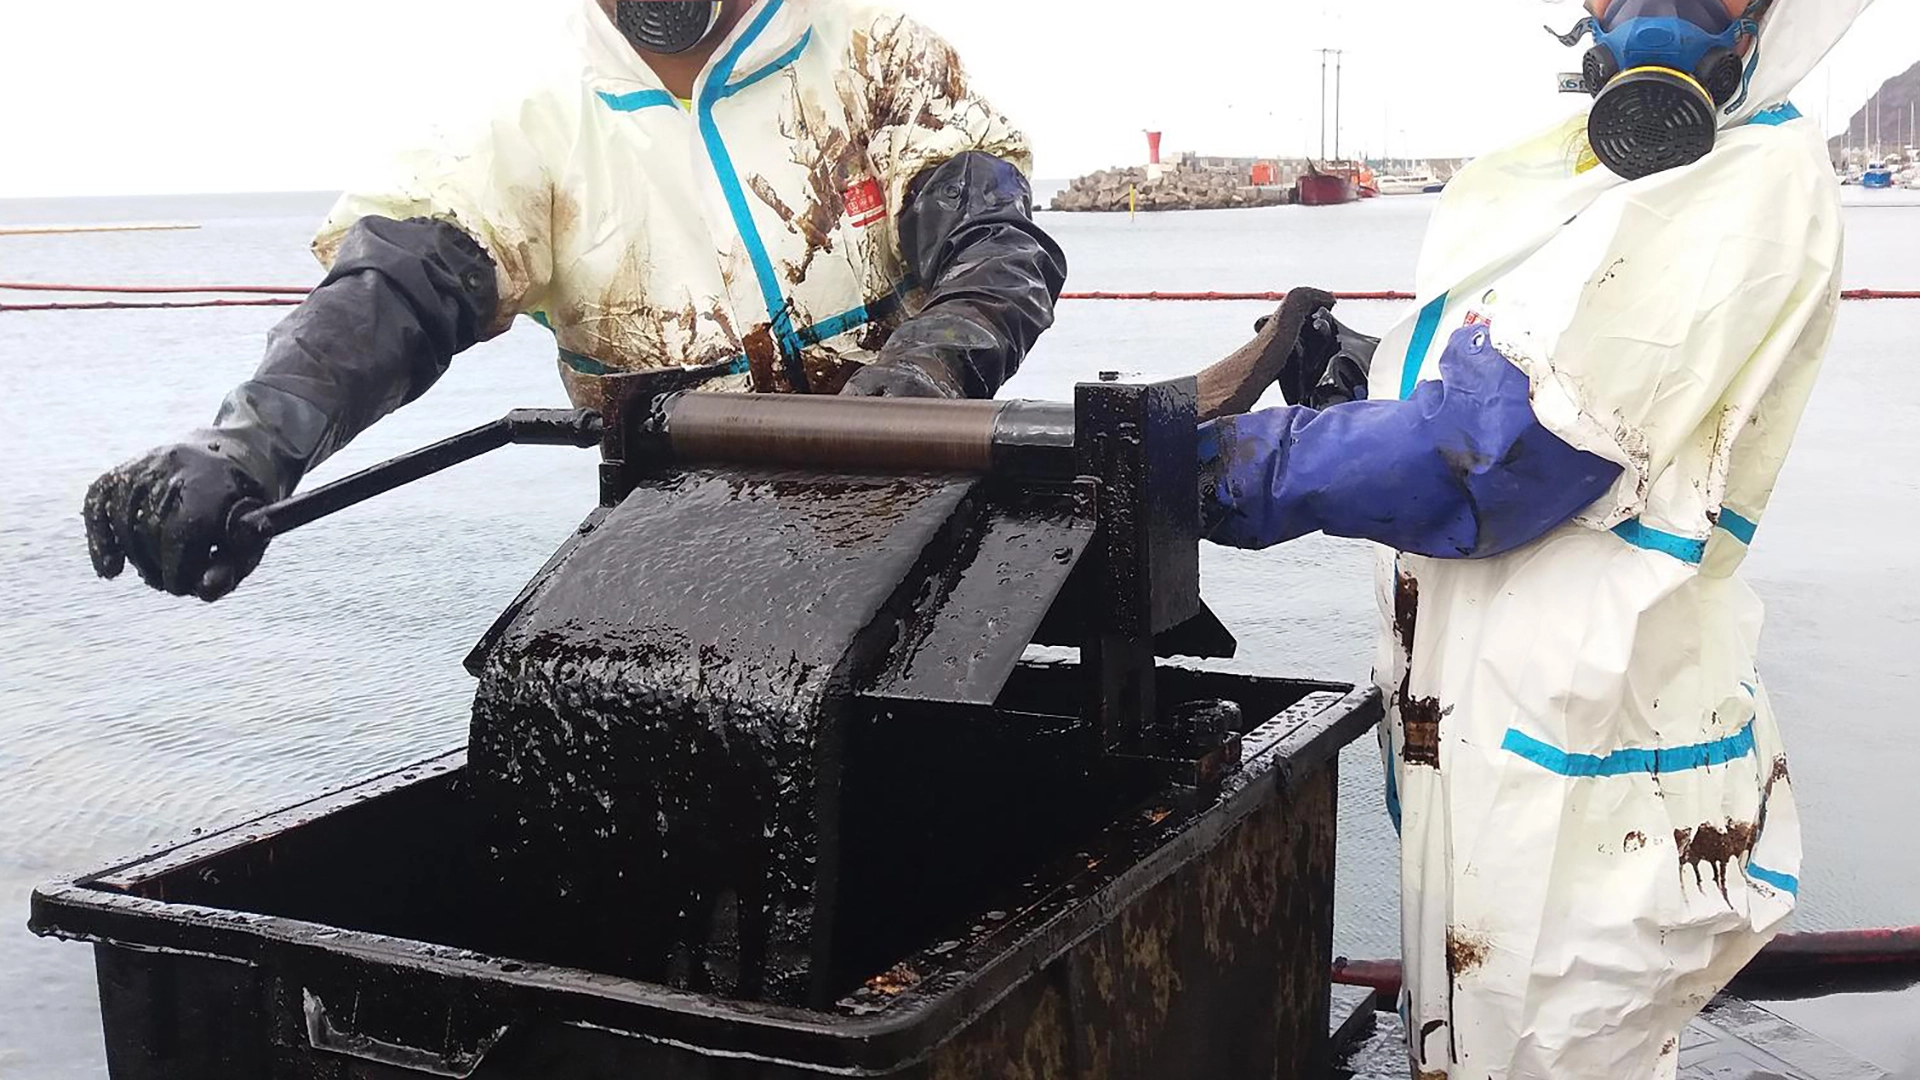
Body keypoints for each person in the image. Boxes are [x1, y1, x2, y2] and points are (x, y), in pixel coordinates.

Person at [1198, 0, 1869, 1075]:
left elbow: (1504, 454)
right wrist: (1363, 379)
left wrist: (1237, 467)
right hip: (1511, 724)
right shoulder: (1633, 171)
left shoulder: (1744, 179)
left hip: (1591, 771)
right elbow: (1541, 369)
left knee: (1546, 1048)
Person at [83, 0, 1066, 602]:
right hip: (674, 546)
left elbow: (997, 251)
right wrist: (254, 442)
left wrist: (919, 382)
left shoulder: (884, 62)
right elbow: (399, 286)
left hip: (927, 523)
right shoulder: (532, 123)